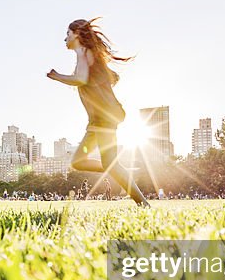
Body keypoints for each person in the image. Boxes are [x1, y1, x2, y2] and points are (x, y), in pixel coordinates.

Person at [47, 18, 149, 207]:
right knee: (78, 162)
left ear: (77, 34)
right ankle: (118, 170)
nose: (65, 39)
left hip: (104, 119)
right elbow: (112, 77)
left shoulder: (83, 52)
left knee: (106, 164)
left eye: (67, 34)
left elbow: (81, 78)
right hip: (98, 120)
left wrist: (57, 76)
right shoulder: (89, 54)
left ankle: (141, 201)